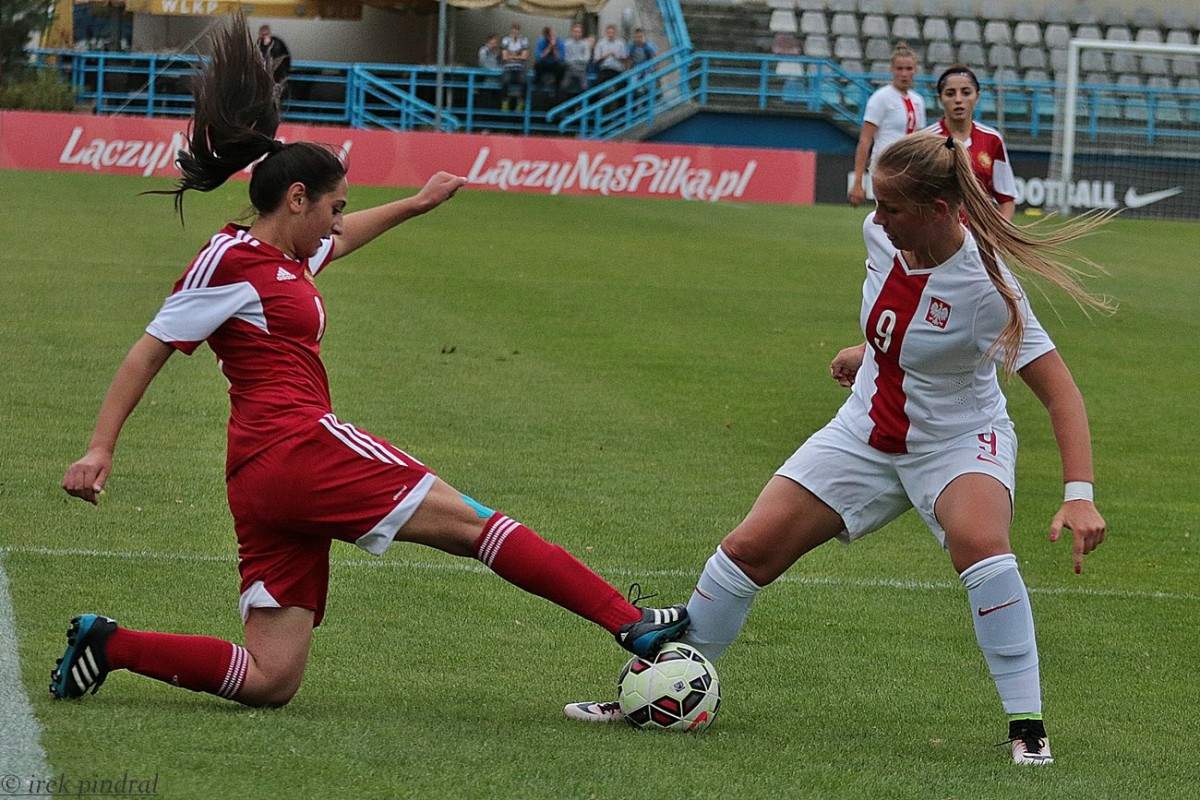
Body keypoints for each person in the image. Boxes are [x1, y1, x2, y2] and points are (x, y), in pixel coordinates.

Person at [51, 16, 687, 710]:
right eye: (333, 207)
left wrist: (417, 204)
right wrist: (99, 447)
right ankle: (629, 622)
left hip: (262, 477)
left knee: (271, 678)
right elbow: (149, 351)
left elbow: (343, 239)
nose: (336, 221)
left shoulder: (285, 258)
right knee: (475, 525)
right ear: (296, 198)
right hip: (299, 446)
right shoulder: (231, 260)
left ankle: (110, 645)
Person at [566, 132, 1112, 767]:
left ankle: (1028, 728)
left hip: (958, 441)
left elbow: (1061, 393)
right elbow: (900, 319)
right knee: (747, 550)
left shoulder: (988, 289)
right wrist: (870, 352)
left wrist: (1079, 495)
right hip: (866, 430)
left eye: (891, 207)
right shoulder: (881, 237)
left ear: (939, 209)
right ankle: (661, 691)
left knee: (981, 545)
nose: (877, 217)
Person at [924, 65, 1017, 221]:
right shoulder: (926, 140)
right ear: (940, 98)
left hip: (979, 234)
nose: (958, 100)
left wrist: (997, 233)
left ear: (977, 97)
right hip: (938, 233)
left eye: (966, 93)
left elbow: (1006, 199)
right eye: (950, 93)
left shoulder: (992, 139)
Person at [848, 42, 925, 208]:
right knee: (890, 215)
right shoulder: (881, 98)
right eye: (899, 69)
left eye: (908, 69)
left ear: (915, 70)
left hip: (909, 169)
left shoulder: (918, 101)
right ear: (892, 70)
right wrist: (858, 181)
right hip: (885, 167)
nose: (904, 74)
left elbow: (920, 139)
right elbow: (865, 139)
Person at [499, 23, 529, 112]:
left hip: (520, 68)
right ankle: (505, 102)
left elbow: (524, 57)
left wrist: (511, 55)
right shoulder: (505, 40)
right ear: (511, 30)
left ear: (519, 31)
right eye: (514, 30)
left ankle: (521, 102)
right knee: (505, 81)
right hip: (508, 67)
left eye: (517, 30)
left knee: (524, 82)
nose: (515, 32)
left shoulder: (524, 40)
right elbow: (504, 57)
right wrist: (518, 55)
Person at [533, 26, 566, 98]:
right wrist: (549, 47)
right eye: (549, 36)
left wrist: (554, 47)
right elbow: (539, 57)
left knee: (562, 66)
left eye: (553, 35)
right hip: (544, 64)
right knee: (537, 65)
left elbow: (560, 58)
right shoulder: (541, 41)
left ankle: (557, 86)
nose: (552, 37)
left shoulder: (560, 42)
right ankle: (538, 85)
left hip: (555, 64)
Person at [561, 23, 593, 98]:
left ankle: (583, 104)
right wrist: (579, 59)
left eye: (579, 32)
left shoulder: (585, 44)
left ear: (582, 33)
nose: (577, 34)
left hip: (582, 70)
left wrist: (574, 60)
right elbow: (566, 59)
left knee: (585, 88)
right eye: (575, 31)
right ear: (572, 32)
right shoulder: (567, 43)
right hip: (569, 69)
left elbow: (586, 59)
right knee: (563, 86)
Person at [476, 33, 503, 109]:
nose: (494, 45)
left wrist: (498, 71)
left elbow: (503, 65)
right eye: (492, 43)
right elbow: (483, 64)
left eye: (495, 43)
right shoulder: (483, 51)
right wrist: (495, 71)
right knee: (485, 104)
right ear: (487, 43)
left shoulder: (499, 53)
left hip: (497, 83)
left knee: (496, 105)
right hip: (486, 82)